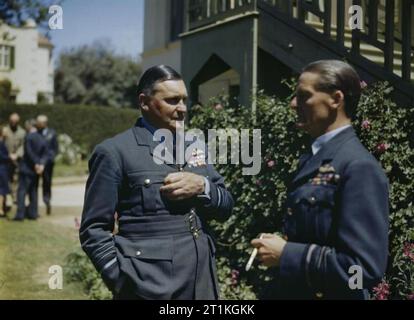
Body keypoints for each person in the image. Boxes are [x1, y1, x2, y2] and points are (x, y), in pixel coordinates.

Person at [79, 65, 234, 300]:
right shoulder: (114, 152)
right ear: (144, 102)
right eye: (172, 100)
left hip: (201, 282)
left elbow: (226, 206)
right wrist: (122, 281)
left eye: (184, 100)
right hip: (149, 285)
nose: (182, 109)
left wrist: (203, 186)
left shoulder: (195, 146)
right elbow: (93, 230)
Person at [251, 60, 389, 299]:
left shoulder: (358, 167)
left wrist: (287, 254)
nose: (293, 104)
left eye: (304, 96)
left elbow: (362, 270)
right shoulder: (314, 158)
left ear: (336, 99)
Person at [13, 119, 48, 221]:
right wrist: (41, 164)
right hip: (36, 170)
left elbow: (28, 152)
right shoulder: (42, 137)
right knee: (34, 191)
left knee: (22, 191)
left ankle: (20, 214)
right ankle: (33, 213)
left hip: (26, 168)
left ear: (29, 126)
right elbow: (45, 153)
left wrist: (36, 163)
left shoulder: (28, 137)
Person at [36, 115, 58, 215]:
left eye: (39, 123)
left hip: (48, 164)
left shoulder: (52, 133)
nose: (37, 125)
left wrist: (46, 162)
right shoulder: (35, 133)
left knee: (47, 182)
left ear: (44, 123)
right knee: (34, 183)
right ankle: (34, 206)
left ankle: (47, 201)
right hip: (36, 163)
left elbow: (54, 149)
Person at [3, 113, 25, 201]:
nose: (13, 123)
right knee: (5, 178)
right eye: (12, 121)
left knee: (16, 178)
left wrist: (17, 154)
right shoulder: (5, 130)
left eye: (15, 121)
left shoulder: (22, 132)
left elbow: (23, 145)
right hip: (5, 158)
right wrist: (7, 155)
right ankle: (6, 197)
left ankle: (15, 197)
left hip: (16, 159)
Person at [0, 125, 10, 217]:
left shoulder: (3, 142)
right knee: (2, 189)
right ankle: (1, 210)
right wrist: (10, 157)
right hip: (1, 168)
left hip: (3, 167)